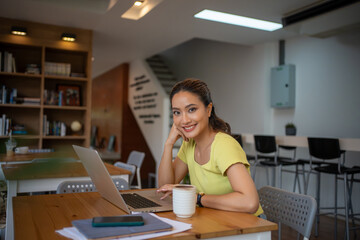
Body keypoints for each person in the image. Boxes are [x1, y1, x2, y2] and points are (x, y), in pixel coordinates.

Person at [157, 78, 263, 215]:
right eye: (177, 112)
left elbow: (249, 202)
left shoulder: (223, 145)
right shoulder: (189, 144)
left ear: (208, 110)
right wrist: (168, 144)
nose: (184, 120)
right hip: (216, 220)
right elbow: (164, 188)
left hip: (247, 227)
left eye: (191, 109)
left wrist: (198, 199)